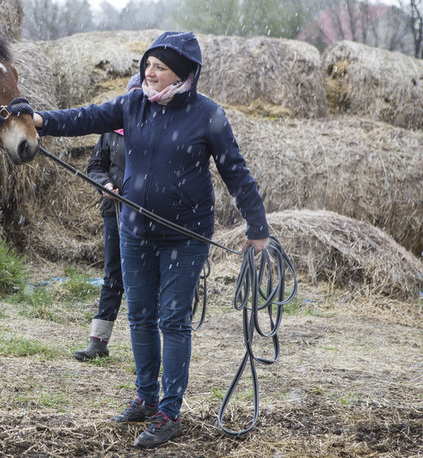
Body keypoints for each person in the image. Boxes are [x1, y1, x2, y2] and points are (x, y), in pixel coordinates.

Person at [33, 31, 270, 448]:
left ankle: (168, 411)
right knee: (140, 316)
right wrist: (42, 121)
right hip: (135, 231)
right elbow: (86, 117)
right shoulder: (132, 104)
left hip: (185, 236)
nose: (150, 71)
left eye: (160, 67)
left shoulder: (207, 115)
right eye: (148, 64)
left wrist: (258, 228)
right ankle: (146, 397)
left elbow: (236, 171)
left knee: (173, 320)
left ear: (182, 74)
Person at [73, 74, 141, 362]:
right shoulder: (111, 131)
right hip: (115, 214)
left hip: (149, 215)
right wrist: (105, 184)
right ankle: (98, 341)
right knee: (114, 274)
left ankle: (155, 344)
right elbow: (95, 165)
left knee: (146, 278)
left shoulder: (160, 131)